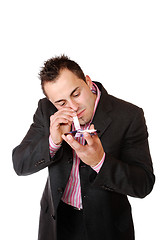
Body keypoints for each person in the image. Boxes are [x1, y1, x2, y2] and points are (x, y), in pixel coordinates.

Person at [12, 55, 155, 240]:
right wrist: (53, 141)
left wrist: (100, 162)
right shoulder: (46, 110)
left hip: (106, 227)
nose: (73, 107)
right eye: (61, 103)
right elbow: (20, 164)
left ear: (87, 81)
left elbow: (143, 184)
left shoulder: (129, 116)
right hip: (56, 224)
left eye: (76, 94)